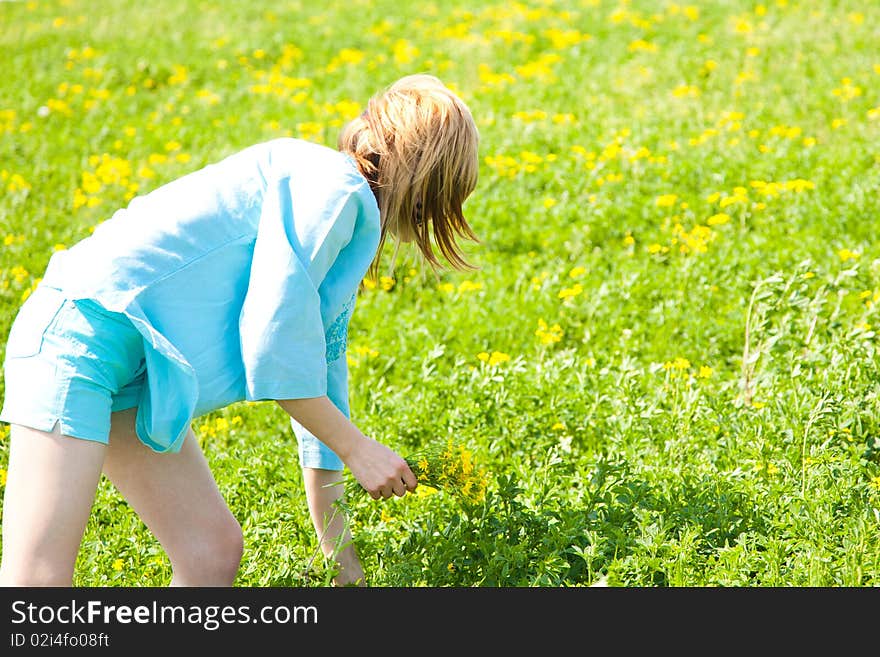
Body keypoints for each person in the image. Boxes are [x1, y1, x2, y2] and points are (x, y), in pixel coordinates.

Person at [0, 73, 480, 587]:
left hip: (139, 371)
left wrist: (344, 566)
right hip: (79, 337)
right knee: (39, 583)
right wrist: (359, 448)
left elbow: (320, 381)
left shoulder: (340, 220)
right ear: (431, 181)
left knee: (212, 552)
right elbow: (270, 343)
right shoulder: (333, 188)